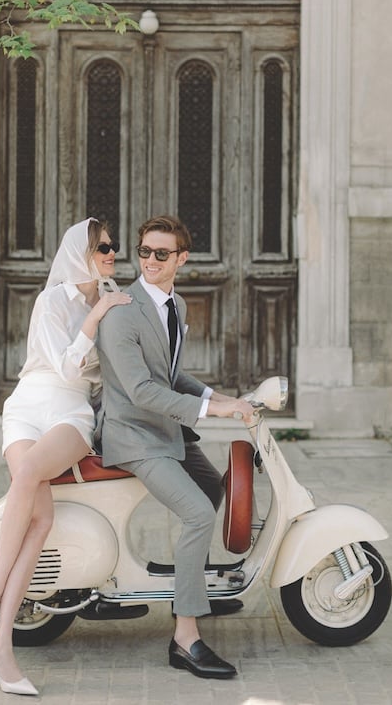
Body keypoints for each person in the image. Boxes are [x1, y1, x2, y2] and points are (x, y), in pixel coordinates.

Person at [0, 217, 131, 696]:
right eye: (103, 246)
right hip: (26, 406)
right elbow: (61, 362)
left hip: (71, 413)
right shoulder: (52, 300)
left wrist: (106, 314)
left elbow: (97, 376)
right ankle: (0, 641)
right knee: (38, 521)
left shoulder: (109, 302)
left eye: (113, 247)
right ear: (79, 252)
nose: (111, 253)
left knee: (28, 483)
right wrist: (96, 315)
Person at [96, 215, 254, 680]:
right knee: (198, 513)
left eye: (160, 254)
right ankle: (186, 638)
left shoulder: (175, 306)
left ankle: (193, 586)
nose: (149, 261)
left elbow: (170, 376)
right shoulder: (122, 311)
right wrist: (213, 413)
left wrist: (220, 398)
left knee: (211, 488)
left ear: (181, 258)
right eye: (144, 251)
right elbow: (143, 391)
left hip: (164, 428)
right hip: (133, 434)